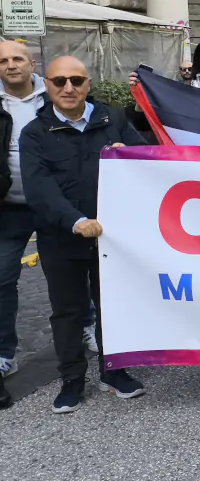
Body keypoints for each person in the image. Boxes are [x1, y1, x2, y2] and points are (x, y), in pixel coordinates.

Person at [21, 56, 148, 413]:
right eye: (59, 81)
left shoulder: (114, 119)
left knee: (113, 306)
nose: (68, 88)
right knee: (68, 311)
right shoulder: (34, 133)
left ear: (88, 84)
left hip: (112, 237)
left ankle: (115, 370)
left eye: (76, 80)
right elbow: (40, 188)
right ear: (46, 85)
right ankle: (72, 379)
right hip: (62, 237)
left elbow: (149, 159)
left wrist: (134, 155)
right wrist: (75, 220)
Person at [0, 41, 50, 378]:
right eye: (2, 61)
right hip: (8, 208)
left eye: (18, 58)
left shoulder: (57, 94)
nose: (11, 65)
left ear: (31, 63)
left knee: (75, 274)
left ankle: (88, 327)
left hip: (54, 204)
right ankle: (5, 353)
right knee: (2, 280)